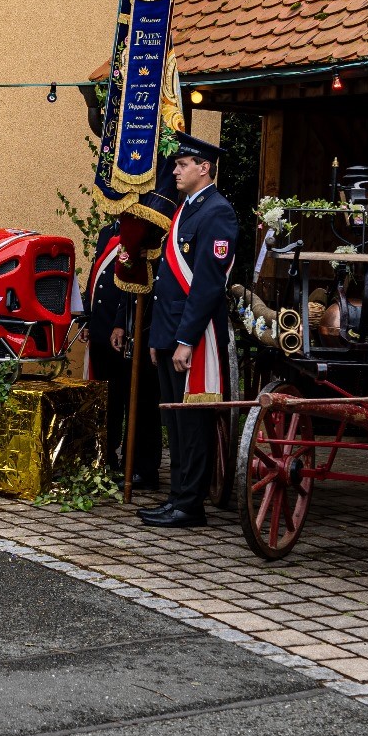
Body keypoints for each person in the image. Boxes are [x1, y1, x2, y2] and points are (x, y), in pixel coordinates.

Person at [141, 135, 238, 528]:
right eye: (176, 164)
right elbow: (166, 281)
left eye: (182, 165)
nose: (175, 171)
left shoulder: (218, 212)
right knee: (175, 422)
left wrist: (184, 340)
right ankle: (177, 496)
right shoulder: (187, 209)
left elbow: (207, 285)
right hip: (170, 332)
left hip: (195, 336)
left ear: (205, 168)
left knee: (193, 422)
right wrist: (158, 339)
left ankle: (190, 503)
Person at [83, 218, 162, 489]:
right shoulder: (108, 231)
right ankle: (108, 456)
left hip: (129, 327)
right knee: (110, 398)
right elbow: (96, 275)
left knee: (138, 401)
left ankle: (141, 465)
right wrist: (87, 316)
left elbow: (135, 281)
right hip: (102, 326)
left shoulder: (147, 231)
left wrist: (120, 321)